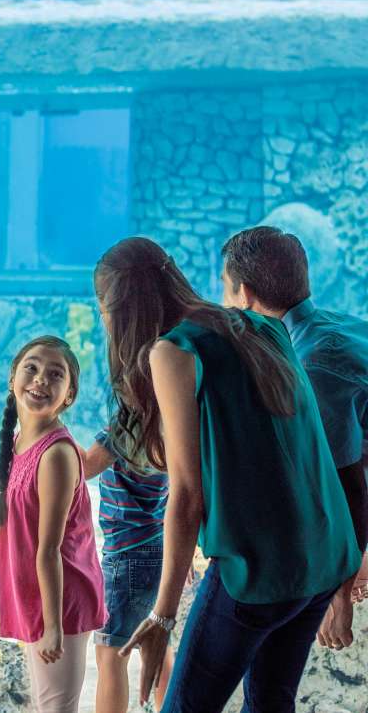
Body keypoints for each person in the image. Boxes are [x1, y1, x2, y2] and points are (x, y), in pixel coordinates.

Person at [93, 237, 361, 713]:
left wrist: (163, 616)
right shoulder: (263, 326)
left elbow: (186, 495)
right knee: (271, 703)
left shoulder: (172, 353)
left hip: (258, 571)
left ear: (116, 306)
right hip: (325, 558)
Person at [221, 226, 368, 648]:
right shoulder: (331, 329)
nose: (223, 302)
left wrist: (338, 596)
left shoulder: (312, 363)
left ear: (245, 294)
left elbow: (348, 485)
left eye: (225, 288)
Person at [0, 335, 105, 713]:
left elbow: (50, 549)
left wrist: (53, 626)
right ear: (13, 378)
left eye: (56, 374)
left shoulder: (56, 454)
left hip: (60, 602)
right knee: (44, 705)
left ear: (69, 396)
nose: (41, 379)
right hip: (36, 597)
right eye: (32, 367)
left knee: (56, 708)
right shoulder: (19, 441)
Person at [84, 422, 173, 713]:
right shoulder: (170, 426)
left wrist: (48, 433)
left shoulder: (126, 427)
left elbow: (84, 468)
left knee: (111, 654)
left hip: (126, 553)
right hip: (158, 546)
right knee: (157, 641)